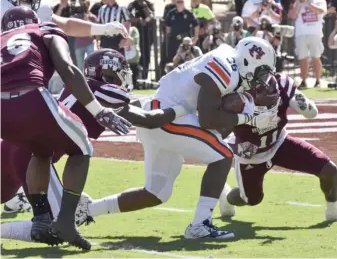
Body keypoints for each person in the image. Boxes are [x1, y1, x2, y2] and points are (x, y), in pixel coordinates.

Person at [72, 37, 277, 239]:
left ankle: (87, 210)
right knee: (223, 155)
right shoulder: (227, 68)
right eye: (262, 71)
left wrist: (240, 114)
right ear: (250, 60)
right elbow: (207, 120)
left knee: (157, 191)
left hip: (165, 114)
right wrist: (248, 117)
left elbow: (216, 129)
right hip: (167, 116)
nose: (261, 78)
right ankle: (200, 224)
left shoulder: (228, 60)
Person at [1, 48, 191, 242]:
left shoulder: (81, 86)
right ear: (108, 73)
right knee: (55, 227)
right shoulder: (104, 93)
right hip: (33, 157)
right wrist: (184, 107)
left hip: (10, 147)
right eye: (121, 73)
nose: (124, 79)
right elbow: (149, 119)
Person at [0, 6, 131, 249]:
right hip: (30, 97)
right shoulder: (44, 29)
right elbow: (69, 69)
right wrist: (99, 111)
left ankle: (40, 216)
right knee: (82, 146)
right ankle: (66, 223)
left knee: (41, 150)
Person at [219, 73, 337, 222]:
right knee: (251, 199)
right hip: (252, 156)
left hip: (280, 143)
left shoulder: (282, 84)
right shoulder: (234, 98)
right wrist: (236, 145)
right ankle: (226, 197)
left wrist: (304, 104)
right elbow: (218, 134)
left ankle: (333, 211)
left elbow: (311, 113)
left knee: (330, 171)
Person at [289, 0, 327, 89]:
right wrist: (298, 2)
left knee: (316, 57)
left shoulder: (320, 1)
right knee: (303, 58)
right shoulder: (299, 1)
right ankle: (304, 80)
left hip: (315, 33)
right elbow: (292, 16)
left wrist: (307, 4)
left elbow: (321, 11)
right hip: (301, 33)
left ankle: (318, 80)